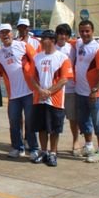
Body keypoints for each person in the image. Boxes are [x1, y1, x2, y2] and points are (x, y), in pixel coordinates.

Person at [30, 30, 74, 167]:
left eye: (45, 39)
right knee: (41, 128)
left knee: (54, 129)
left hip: (55, 100)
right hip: (39, 99)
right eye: (42, 39)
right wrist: (40, 90)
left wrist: (48, 92)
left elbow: (64, 79)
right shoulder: (37, 57)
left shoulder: (62, 58)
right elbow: (32, 77)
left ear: (53, 40)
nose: (42, 41)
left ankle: (53, 153)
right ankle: (43, 152)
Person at [0, 23, 39, 159]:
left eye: (7, 32)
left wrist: (38, 85)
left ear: (12, 33)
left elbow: (36, 61)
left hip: (29, 91)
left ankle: (34, 148)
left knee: (30, 121)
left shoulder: (23, 46)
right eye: (2, 33)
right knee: (14, 121)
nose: (5, 35)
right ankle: (17, 147)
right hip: (13, 94)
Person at [75, 20, 99, 163]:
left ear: (93, 31)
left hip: (94, 93)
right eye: (82, 31)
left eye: (87, 31)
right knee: (84, 121)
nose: (84, 34)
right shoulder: (79, 43)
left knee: (98, 122)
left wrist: (95, 89)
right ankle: (89, 146)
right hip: (80, 91)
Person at [55, 23, 81, 154]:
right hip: (55, 89)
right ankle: (54, 145)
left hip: (70, 88)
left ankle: (76, 141)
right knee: (56, 119)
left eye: (66, 34)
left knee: (72, 118)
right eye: (60, 34)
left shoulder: (72, 47)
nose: (63, 36)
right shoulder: (51, 47)